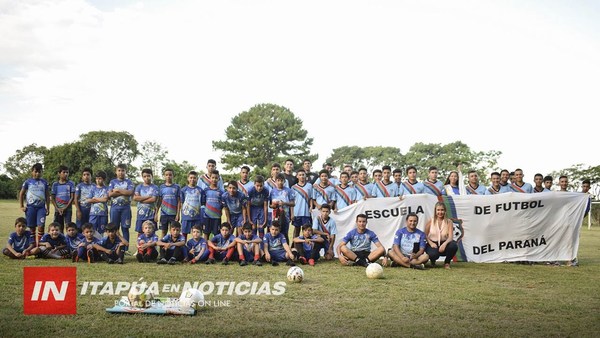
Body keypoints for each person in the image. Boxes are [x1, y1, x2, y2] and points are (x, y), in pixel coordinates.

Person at [20, 163, 50, 246]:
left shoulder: (44, 182)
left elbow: (47, 195)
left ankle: (40, 247)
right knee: (32, 228)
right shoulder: (28, 182)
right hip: (30, 208)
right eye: (36, 171)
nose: (38, 173)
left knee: (41, 227)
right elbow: (21, 194)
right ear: (32, 172)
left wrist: (48, 208)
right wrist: (21, 206)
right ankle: (33, 246)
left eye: (39, 172)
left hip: (41, 208)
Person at [108, 163, 134, 250]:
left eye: (123, 170)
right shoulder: (112, 182)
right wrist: (124, 192)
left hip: (125, 208)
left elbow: (130, 193)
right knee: (114, 229)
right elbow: (110, 194)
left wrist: (118, 190)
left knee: (125, 228)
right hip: (114, 208)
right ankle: (115, 247)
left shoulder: (129, 182)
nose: (121, 172)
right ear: (116, 171)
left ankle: (125, 249)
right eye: (119, 170)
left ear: (126, 172)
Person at [424, 202, 458, 268]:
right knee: (433, 254)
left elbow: (450, 237)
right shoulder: (431, 221)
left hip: (444, 242)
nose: (440, 212)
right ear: (435, 211)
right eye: (438, 210)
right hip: (433, 243)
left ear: (445, 211)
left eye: (442, 210)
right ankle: (433, 261)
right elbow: (424, 235)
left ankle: (447, 262)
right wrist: (431, 243)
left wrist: (444, 244)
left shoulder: (449, 222)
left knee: (453, 246)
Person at [133, 168, 159, 237]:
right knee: (140, 233)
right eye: (144, 176)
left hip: (151, 214)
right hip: (141, 214)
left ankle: (151, 247)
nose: (146, 178)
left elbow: (153, 199)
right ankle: (140, 247)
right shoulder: (139, 187)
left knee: (152, 233)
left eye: (148, 176)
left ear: (151, 176)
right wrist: (148, 196)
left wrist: (141, 199)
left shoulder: (155, 187)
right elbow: (135, 198)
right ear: (142, 177)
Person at [156, 168, 181, 238]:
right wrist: (156, 213)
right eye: (166, 175)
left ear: (173, 176)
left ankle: (173, 248)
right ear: (164, 176)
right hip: (164, 214)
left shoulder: (177, 187)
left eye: (170, 175)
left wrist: (178, 214)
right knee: (163, 231)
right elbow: (159, 201)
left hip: (173, 214)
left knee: (174, 232)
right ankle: (162, 248)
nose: (168, 176)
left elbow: (179, 201)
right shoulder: (161, 187)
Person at [51, 165, 76, 233]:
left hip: (68, 210)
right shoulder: (55, 184)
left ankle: (68, 241)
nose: (66, 174)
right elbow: (52, 198)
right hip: (58, 210)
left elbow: (72, 197)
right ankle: (60, 241)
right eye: (64, 172)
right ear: (59, 173)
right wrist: (57, 208)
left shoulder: (71, 183)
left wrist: (65, 208)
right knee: (58, 226)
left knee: (68, 226)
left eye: (67, 172)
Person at [180, 170, 204, 241]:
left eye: (194, 178)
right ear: (188, 178)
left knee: (197, 235)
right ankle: (183, 249)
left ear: (197, 179)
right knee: (184, 234)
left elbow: (202, 203)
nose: (192, 179)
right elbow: (182, 203)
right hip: (186, 216)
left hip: (197, 217)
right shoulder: (183, 190)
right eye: (191, 178)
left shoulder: (200, 190)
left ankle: (196, 249)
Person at [202, 170, 225, 240]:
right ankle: (205, 248)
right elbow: (203, 202)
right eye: (213, 177)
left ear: (218, 179)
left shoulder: (221, 192)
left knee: (216, 234)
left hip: (216, 217)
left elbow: (222, 204)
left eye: (216, 178)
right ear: (210, 178)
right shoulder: (205, 190)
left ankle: (215, 249)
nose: (214, 179)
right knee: (206, 233)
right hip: (207, 216)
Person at [291, 169, 313, 240]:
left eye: (303, 175)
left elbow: (311, 198)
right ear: (297, 176)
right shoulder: (293, 187)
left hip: (306, 212)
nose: (301, 176)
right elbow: (292, 201)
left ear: (305, 176)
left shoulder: (309, 186)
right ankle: (294, 246)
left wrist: (311, 206)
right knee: (296, 230)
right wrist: (292, 213)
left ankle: (307, 246)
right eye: (300, 175)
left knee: (307, 231)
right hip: (297, 212)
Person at [87, 170, 109, 236]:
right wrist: (101, 199)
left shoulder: (107, 189)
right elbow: (88, 200)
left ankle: (100, 244)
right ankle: (93, 245)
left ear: (104, 179)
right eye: (96, 178)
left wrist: (95, 198)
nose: (98, 180)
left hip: (103, 214)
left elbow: (105, 199)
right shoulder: (92, 189)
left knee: (101, 232)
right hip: (93, 214)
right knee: (92, 230)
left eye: (100, 179)